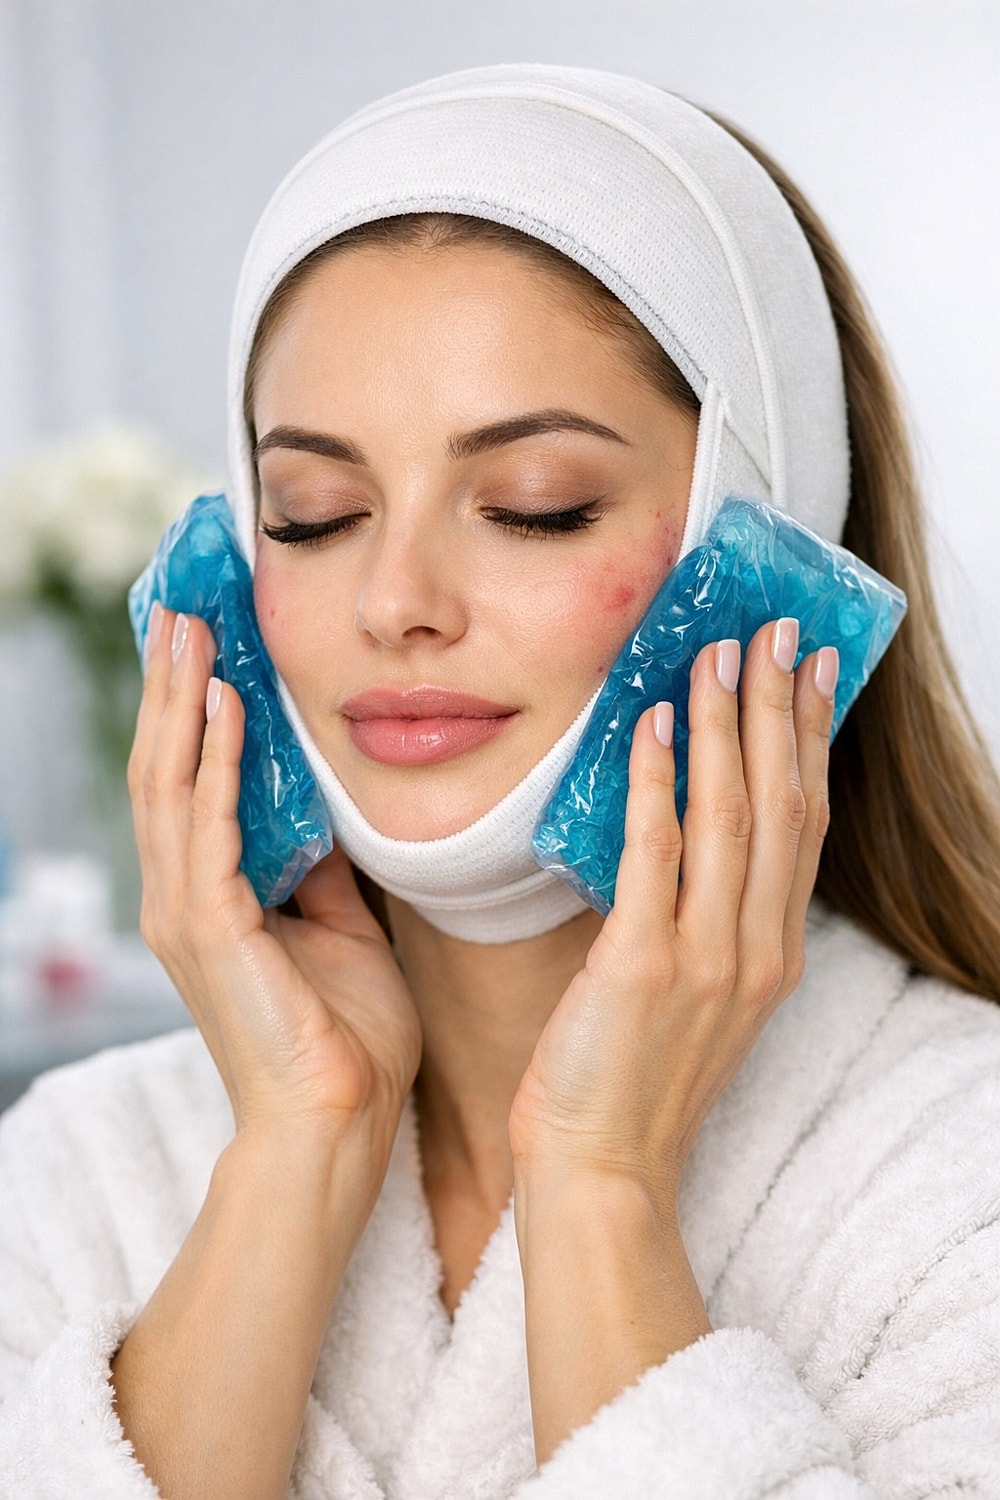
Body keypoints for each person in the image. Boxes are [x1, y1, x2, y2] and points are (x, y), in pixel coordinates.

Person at [2, 64, 1000, 1500]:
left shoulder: (959, 1185)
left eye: (538, 508)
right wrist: (297, 1145)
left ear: (770, 553)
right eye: (316, 514)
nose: (393, 600)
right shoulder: (77, 1179)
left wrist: (600, 1182)